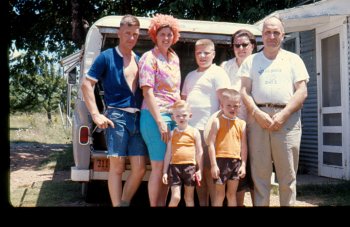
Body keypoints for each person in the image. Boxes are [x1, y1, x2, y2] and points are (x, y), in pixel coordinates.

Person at [238, 16, 309, 206]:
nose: (271, 36)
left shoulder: (293, 60)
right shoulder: (251, 61)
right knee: (260, 176)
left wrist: (284, 114)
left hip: (288, 120)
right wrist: (256, 113)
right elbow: (244, 91)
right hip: (258, 119)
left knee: (287, 176)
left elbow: (302, 91)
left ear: (283, 36)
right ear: (262, 35)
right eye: (268, 32)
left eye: (276, 32)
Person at [81, 15, 147, 207]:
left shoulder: (139, 59)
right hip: (116, 116)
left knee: (140, 169)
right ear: (119, 33)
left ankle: (124, 202)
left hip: (137, 118)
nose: (131, 38)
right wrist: (96, 114)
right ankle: (117, 204)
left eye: (135, 34)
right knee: (117, 168)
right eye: (127, 33)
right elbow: (87, 84)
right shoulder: (107, 56)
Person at [138, 14, 181, 207]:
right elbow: (147, 93)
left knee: (168, 166)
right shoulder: (149, 58)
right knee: (157, 167)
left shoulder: (174, 58)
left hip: (173, 116)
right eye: (162, 34)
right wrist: (160, 122)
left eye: (169, 34)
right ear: (155, 35)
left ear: (174, 36)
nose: (166, 38)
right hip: (154, 117)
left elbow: (176, 91)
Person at [181, 38, 230, 206]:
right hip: (191, 131)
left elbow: (224, 101)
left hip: (209, 131)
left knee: (210, 172)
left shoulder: (218, 73)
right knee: (197, 171)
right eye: (198, 53)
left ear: (213, 54)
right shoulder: (190, 76)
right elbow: (183, 102)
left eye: (206, 52)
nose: (202, 56)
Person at [220, 29, 257, 206]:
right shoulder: (225, 67)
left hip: (256, 125)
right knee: (236, 167)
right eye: (237, 45)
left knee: (256, 170)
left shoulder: (259, 64)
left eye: (245, 44)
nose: (241, 48)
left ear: (253, 46)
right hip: (232, 128)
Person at [207, 88, 247, 206]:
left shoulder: (242, 124)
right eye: (228, 105)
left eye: (235, 106)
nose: (232, 108)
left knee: (231, 195)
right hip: (220, 162)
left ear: (239, 107)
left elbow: (244, 146)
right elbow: (211, 144)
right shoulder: (217, 122)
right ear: (221, 106)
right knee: (220, 195)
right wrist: (213, 165)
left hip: (235, 162)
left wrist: (243, 165)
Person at [162, 100, 203, 207]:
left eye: (184, 115)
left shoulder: (194, 132)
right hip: (174, 167)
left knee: (189, 198)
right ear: (173, 118)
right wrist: (164, 172)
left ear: (190, 116)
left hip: (190, 167)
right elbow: (168, 153)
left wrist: (199, 170)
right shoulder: (172, 133)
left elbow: (199, 152)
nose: (181, 118)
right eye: (178, 115)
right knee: (176, 197)